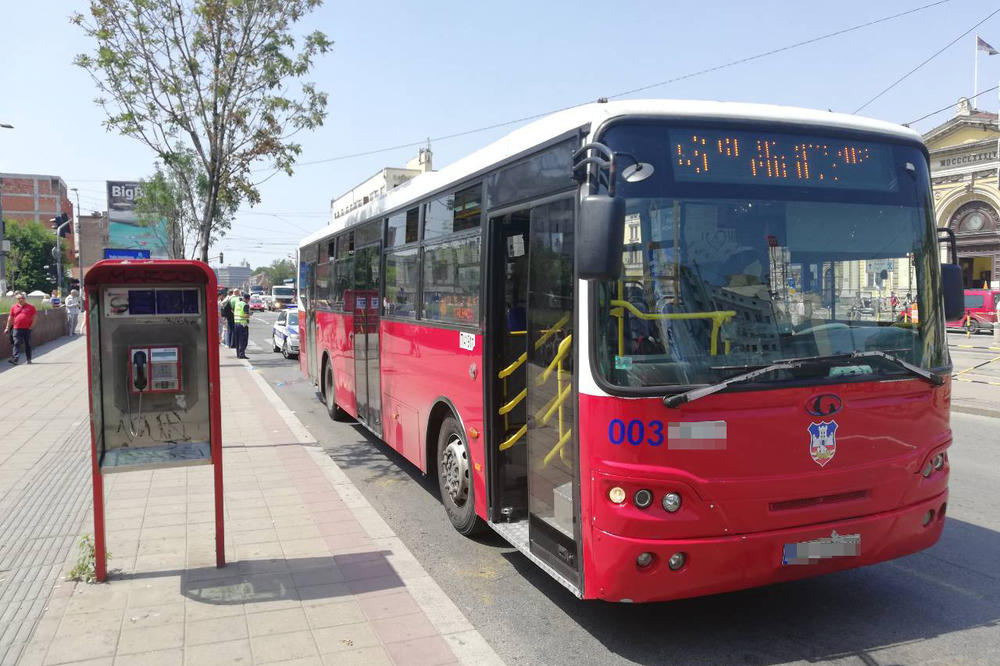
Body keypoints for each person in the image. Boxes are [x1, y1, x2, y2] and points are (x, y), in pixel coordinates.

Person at [5, 292, 38, 365]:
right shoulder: (13, 307)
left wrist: (32, 326)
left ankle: (29, 359)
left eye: (23, 298)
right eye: (19, 298)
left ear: (25, 299)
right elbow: (10, 317)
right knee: (16, 343)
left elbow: (35, 317)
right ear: (17, 300)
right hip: (16, 328)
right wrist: (7, 327)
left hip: (27, 329)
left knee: (28, 344)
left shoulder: (31, 307)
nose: (21, 300)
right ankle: (15, 359)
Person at [232, 291, 251, 359]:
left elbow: (234, 311)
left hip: (236, 323)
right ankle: (242, 354)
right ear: (247, 299)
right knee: (243, 340)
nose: (249, 301)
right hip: (243, 324)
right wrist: (250, 314)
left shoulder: (237, 303)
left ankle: (238, 354)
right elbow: (246, 315)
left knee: (237, 340)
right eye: (249, 299)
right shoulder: (245, 305)